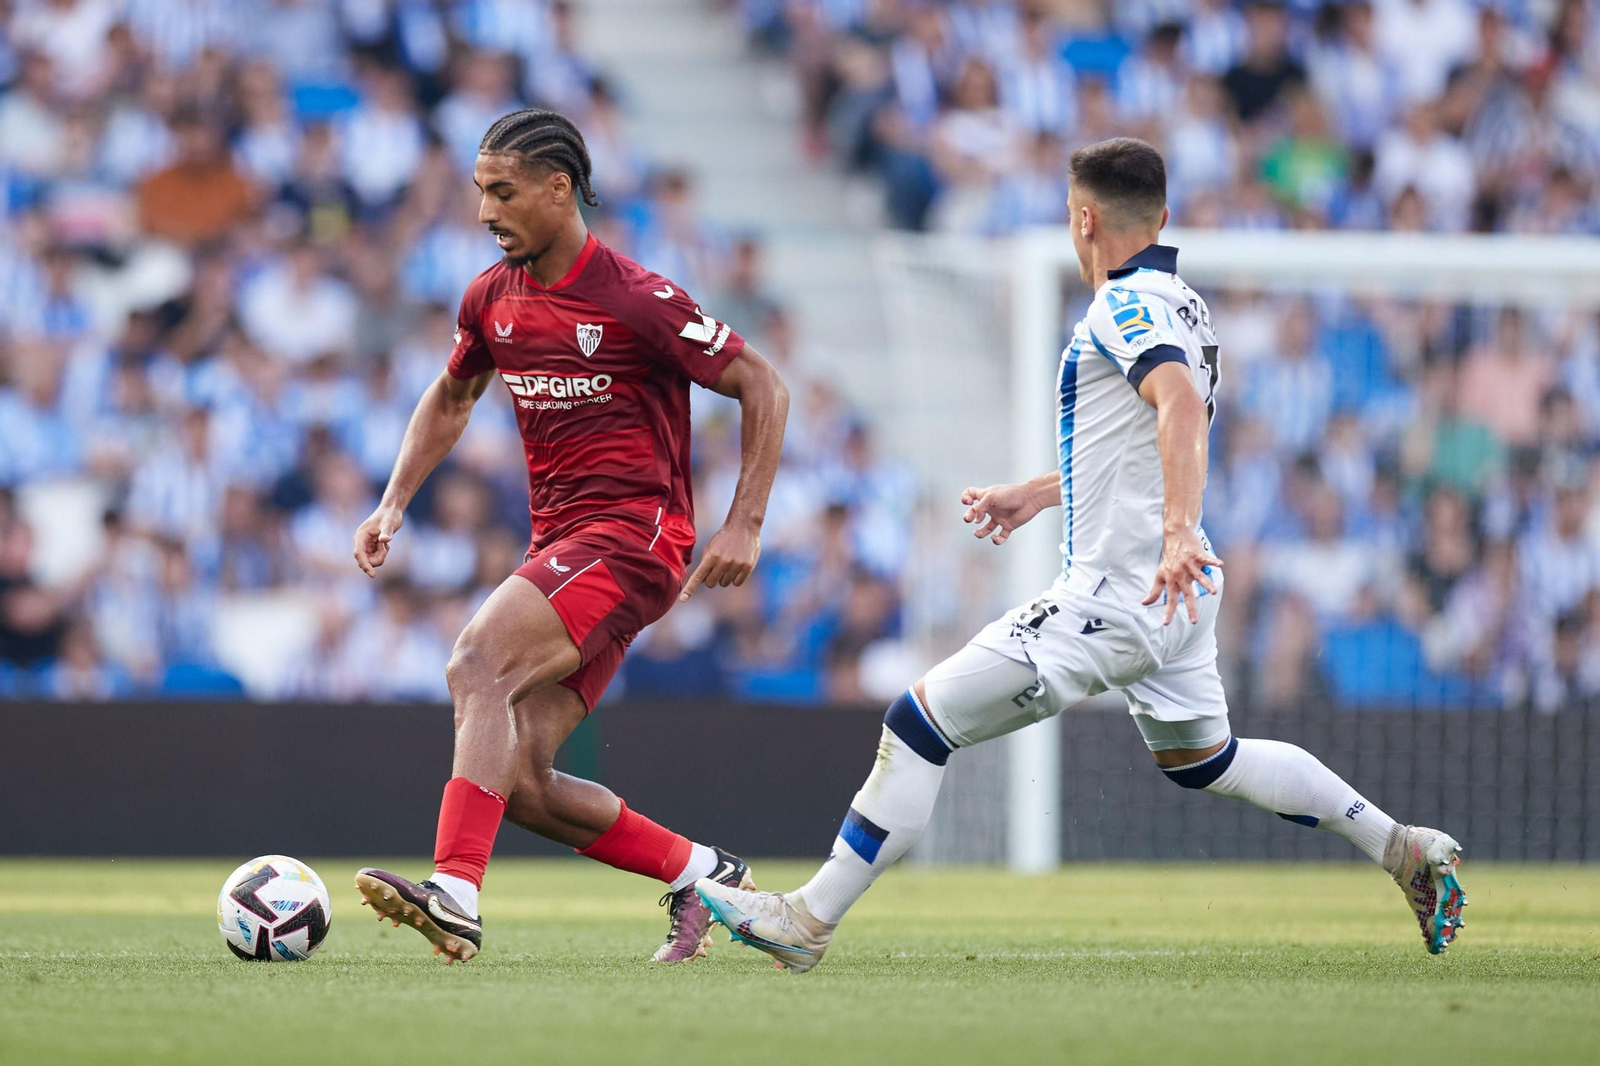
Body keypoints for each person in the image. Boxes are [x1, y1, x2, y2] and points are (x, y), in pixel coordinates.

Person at [695, 138, 1466, 972]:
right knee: (1209, 758)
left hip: (1120, 592)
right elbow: (1136, 442)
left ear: (1083, 218)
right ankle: (1402, 847)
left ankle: (807, 921)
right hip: (1179, 588)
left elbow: (1177, 408)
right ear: (1163, 218)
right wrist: (1041, 490)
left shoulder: (1121, 307)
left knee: (919, 722)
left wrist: (1172, 530)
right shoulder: (1189, 305)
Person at [351, 109, 789, 964]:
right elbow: (451, 398)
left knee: (476, 662)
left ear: (560, 188)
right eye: (480, 192)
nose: (484, 212)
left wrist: (745, 521)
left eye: (501, 191)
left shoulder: (636, 297)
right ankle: (708, 872)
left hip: (635, 537)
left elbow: (761, 383)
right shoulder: (490, 297)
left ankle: (455, 892)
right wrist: (394, 500)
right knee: (520, 779)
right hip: (564, 546)